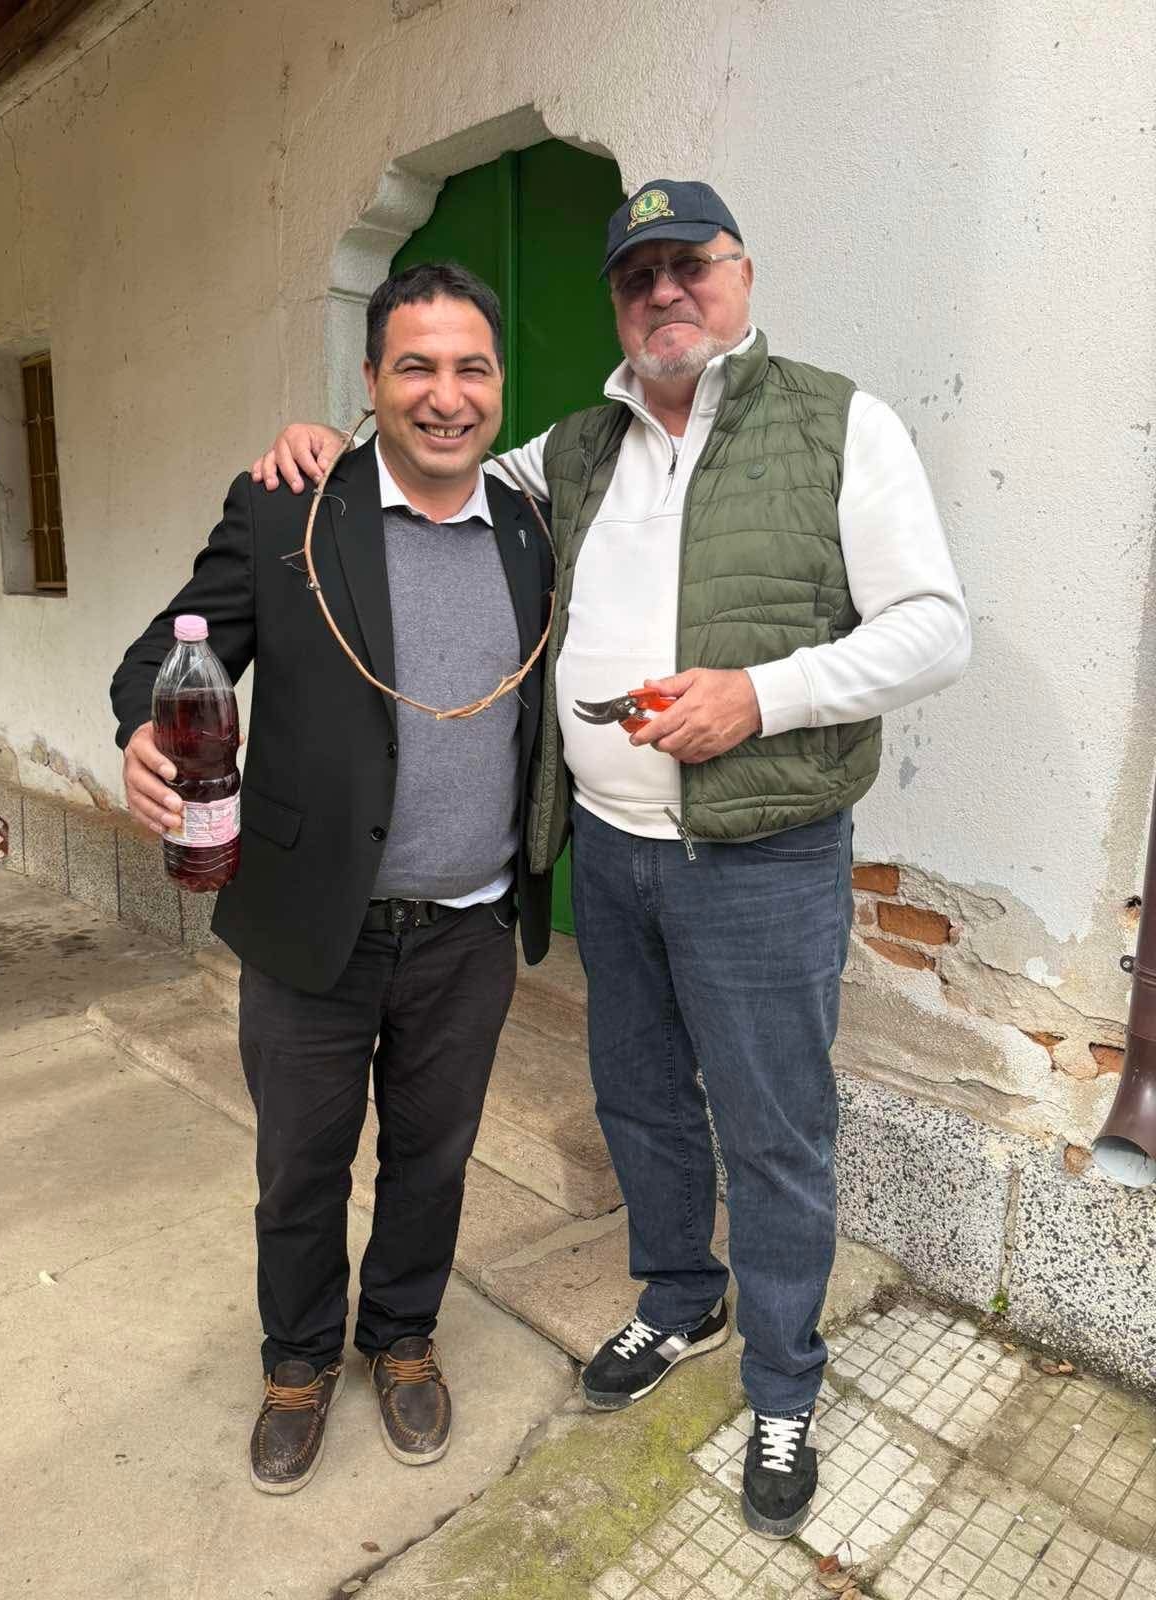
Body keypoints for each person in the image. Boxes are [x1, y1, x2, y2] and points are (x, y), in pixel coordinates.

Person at [253, 179, 971, 1536]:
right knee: (640, 1105)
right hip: (614, 857)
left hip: (762, 858)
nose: (666, 294)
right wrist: (327, 439)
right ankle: (680, 1298)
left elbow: (935, 628)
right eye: (639, 277)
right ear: (618, 305)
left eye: (692, 265)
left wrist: (761, 696)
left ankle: (784, 1383)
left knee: (772, 1133)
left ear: (742, 275)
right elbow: (439, 453)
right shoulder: (577, 447)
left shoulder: (838, 424)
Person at [112, 263, 553, 1494]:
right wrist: (143, 731)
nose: (446, 395)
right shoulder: (291, 510)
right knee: (301, 1167)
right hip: (314, 923)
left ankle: (402, 1338)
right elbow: (164, 653)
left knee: (433, 1158)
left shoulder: (531, 525)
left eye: (470, 368)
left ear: (500, 384)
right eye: (416, 366)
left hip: (469, 929)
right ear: (369, 380)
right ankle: (298, 1362)